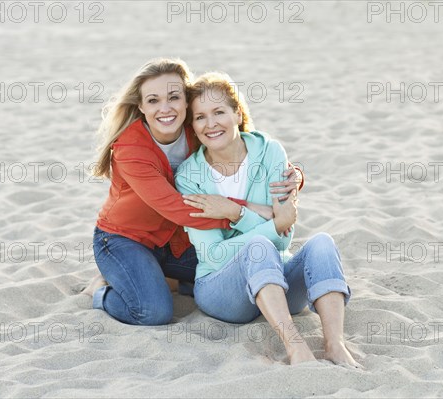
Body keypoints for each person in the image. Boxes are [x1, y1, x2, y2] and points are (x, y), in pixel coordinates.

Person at [82, 58, 301, 326]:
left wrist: (294, 177)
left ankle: (170, 280)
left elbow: (246, 147)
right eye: (153, 100)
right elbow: (177, 207)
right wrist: (244, 209)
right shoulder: (130, 149)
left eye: (173, 97)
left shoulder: (196, 127)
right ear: (140, 106)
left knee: (223, 268)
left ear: (186, 101)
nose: (165, 108)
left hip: (175, 240)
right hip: (126, 240)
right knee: (153, 311)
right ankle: (101, 291)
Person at [175, 72, 359, 367]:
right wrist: (267, 223)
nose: (210, 124)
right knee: (259, 245)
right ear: (193, 125)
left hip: (277, 284)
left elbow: (285, 236)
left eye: (219, 112)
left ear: (237, 113)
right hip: (221, 290)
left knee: (322, 243)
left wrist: (235, 213)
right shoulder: (188, 176)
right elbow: (214, 253)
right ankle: (296, 348)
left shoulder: (270, 151)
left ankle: (335, 345)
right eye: (200, 117)